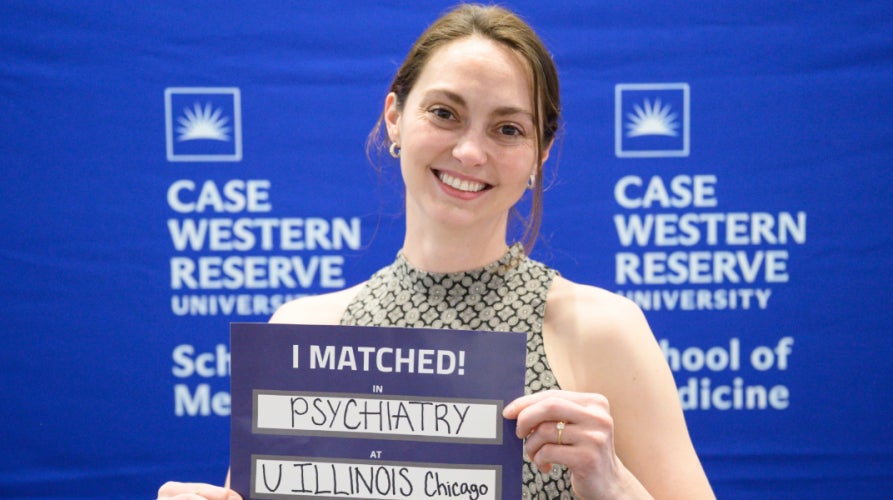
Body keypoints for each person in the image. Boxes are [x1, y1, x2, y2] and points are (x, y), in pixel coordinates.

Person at [159, 3, 714, 499]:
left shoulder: (601, 329)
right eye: (445, 113)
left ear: (540, 153)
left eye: (508, 129)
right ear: (395, 117)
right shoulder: (303, 331)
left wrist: (614, 488)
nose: (471, 152)